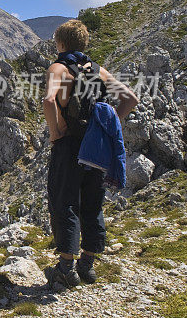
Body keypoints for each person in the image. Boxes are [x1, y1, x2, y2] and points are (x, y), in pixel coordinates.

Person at [42, 19, 138, 286]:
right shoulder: (98, 70)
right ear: (84, 43)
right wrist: (108, 126)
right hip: (95, 148)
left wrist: (54, 132)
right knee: (93, 202)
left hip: (69, 145)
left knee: (65, 202)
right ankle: (88, 265)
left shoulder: (58, 68)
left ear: (60, 43)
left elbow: (49, 100)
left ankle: (65, 268)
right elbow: (130, 98)